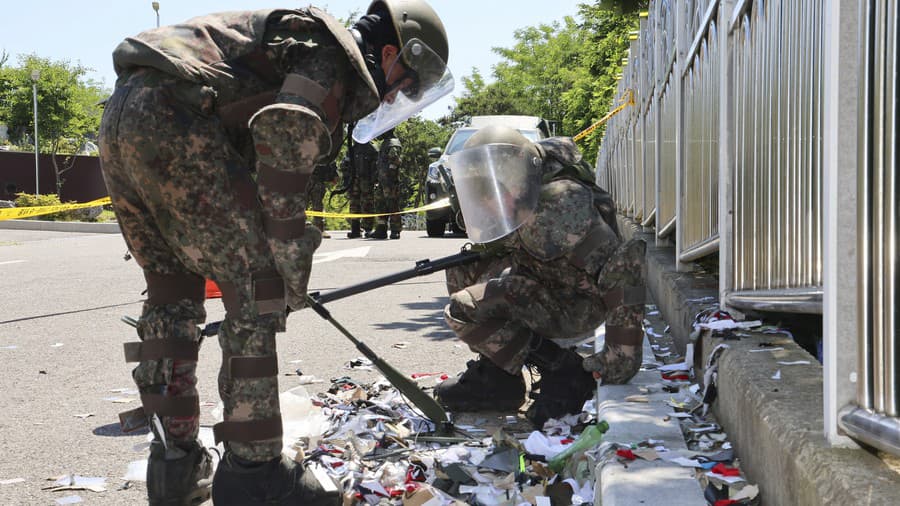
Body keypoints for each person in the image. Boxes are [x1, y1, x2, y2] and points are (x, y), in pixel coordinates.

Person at [97, 1, 450, 504]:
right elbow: (284, 131)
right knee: (258, 296)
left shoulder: (293, 40)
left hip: (123, 119)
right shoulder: (330, 52)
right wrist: (287, 262)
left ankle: (173, 469)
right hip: (178, 122)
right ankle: (255, 473)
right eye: (406, 84)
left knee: (170, 291)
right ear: (390, 53)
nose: (399, 96)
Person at [433, 125, 646, 428]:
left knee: (463, 308)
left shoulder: (558, 210)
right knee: (462, 271)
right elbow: (501, 246)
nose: (486, 204)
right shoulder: (522, 203)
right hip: (549, 282)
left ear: (516, 184)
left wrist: (619, 359)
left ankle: (562, 369)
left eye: (491, 193)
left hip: (578, 304)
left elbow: (623, 269)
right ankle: (499, 379)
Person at [371, 129, 404, 239]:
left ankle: (395, 230)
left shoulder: (392, 143)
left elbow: (395, 161)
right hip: (382, 180)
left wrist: (390, 178)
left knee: (392, 204)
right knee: (380, 204)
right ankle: (381, 229)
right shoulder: (386, 143)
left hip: (390, 181)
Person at [344, 140, 378, 238]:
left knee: (367, 204)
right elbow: (346, 165)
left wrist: (375, 180)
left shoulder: (372, 148)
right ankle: (355, 229)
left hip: (367, 180)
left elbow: (376, 166)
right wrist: (346, 180)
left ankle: (368, 229)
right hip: (354, 180)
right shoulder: (352, 149)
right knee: (354, 204)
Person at [308, 161, 338, 238]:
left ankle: (319, 230)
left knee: (318, 206)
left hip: (318, 180)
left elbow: (330, 158)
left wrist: (334, 175)